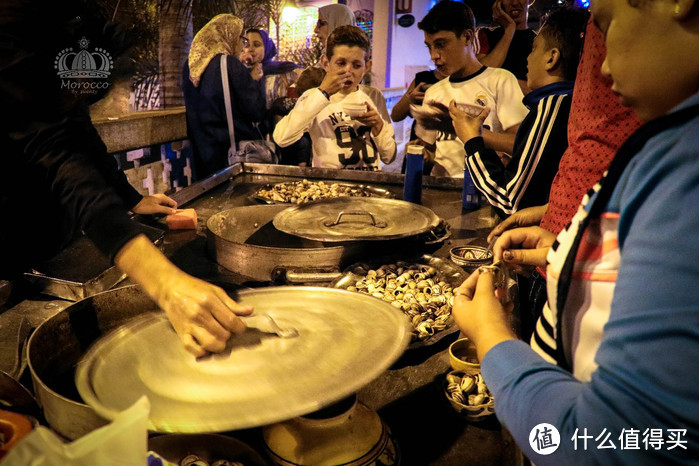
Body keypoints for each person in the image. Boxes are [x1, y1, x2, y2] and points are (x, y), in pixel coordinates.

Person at [452, 0, 699, 463]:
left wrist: (490, 335)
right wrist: (573, 254)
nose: (601, 68)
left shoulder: (688, 165)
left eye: (605, 26)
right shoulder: (669, 139)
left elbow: (601, 444)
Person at [0, 1, 253, 357]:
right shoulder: (12, 29)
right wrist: (165, 285)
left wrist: (128, 197)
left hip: (53, 242)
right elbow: (54, 151)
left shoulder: (66, 30)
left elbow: (76, 131)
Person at [450, 7, 588, 218]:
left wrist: (472, 140)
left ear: (552, 58)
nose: (528, 58)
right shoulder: (570, 103)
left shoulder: (552, 106)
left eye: (534, 48)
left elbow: (510, 203)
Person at [413, 0, 528, 177]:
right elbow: (431, 152)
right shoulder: (434, 93)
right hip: (443, 192)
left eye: (441, 44)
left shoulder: (500, 80)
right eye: (430, 47)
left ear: (467, 37)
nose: (434, 56)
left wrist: (467, 130)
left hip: (488, 192)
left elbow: (521, 145)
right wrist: (420, 153)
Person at [273, 25, 396, 171]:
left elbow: (389, 157)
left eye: (356, 65)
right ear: (326, 63)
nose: (348, 71)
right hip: (330, 185)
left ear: (367, 66)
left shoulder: (373, 96)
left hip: (369, 183)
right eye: (341, 63)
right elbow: (282, 138)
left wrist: (378, 126)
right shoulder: (314, 97)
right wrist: (323, 93)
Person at [182, 14, 267, 179]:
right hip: (232, 156)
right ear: (229, 35)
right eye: (242, 39)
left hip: (202, 155)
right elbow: (255, 111)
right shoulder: (229, 63)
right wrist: (255, 82)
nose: (243, 47)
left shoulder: (190, 67)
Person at [391, 67, 448, 173]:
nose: (435, 56)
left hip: (447, 153)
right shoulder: (423, 79)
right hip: (419, 148)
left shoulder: (464, 82)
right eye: (431, 50)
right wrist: (410, 99)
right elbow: (395, 115)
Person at [477, 0, 536, 94]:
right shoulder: (484, 35)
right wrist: (509, 30)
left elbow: (541, 90)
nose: (515, 3)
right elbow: (480, 76)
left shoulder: (539, 42)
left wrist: (504, 83)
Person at [270, 67, 325, 166]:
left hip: (284, 154)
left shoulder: (280, 103)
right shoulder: (315, 105)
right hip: (299, 149)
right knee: (303, 142)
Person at [241, 28, 301, 111]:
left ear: (267, 47)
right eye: (247, 45)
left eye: (257, 45)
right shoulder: (239, 73)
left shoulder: (284, 70)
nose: (251, 49)